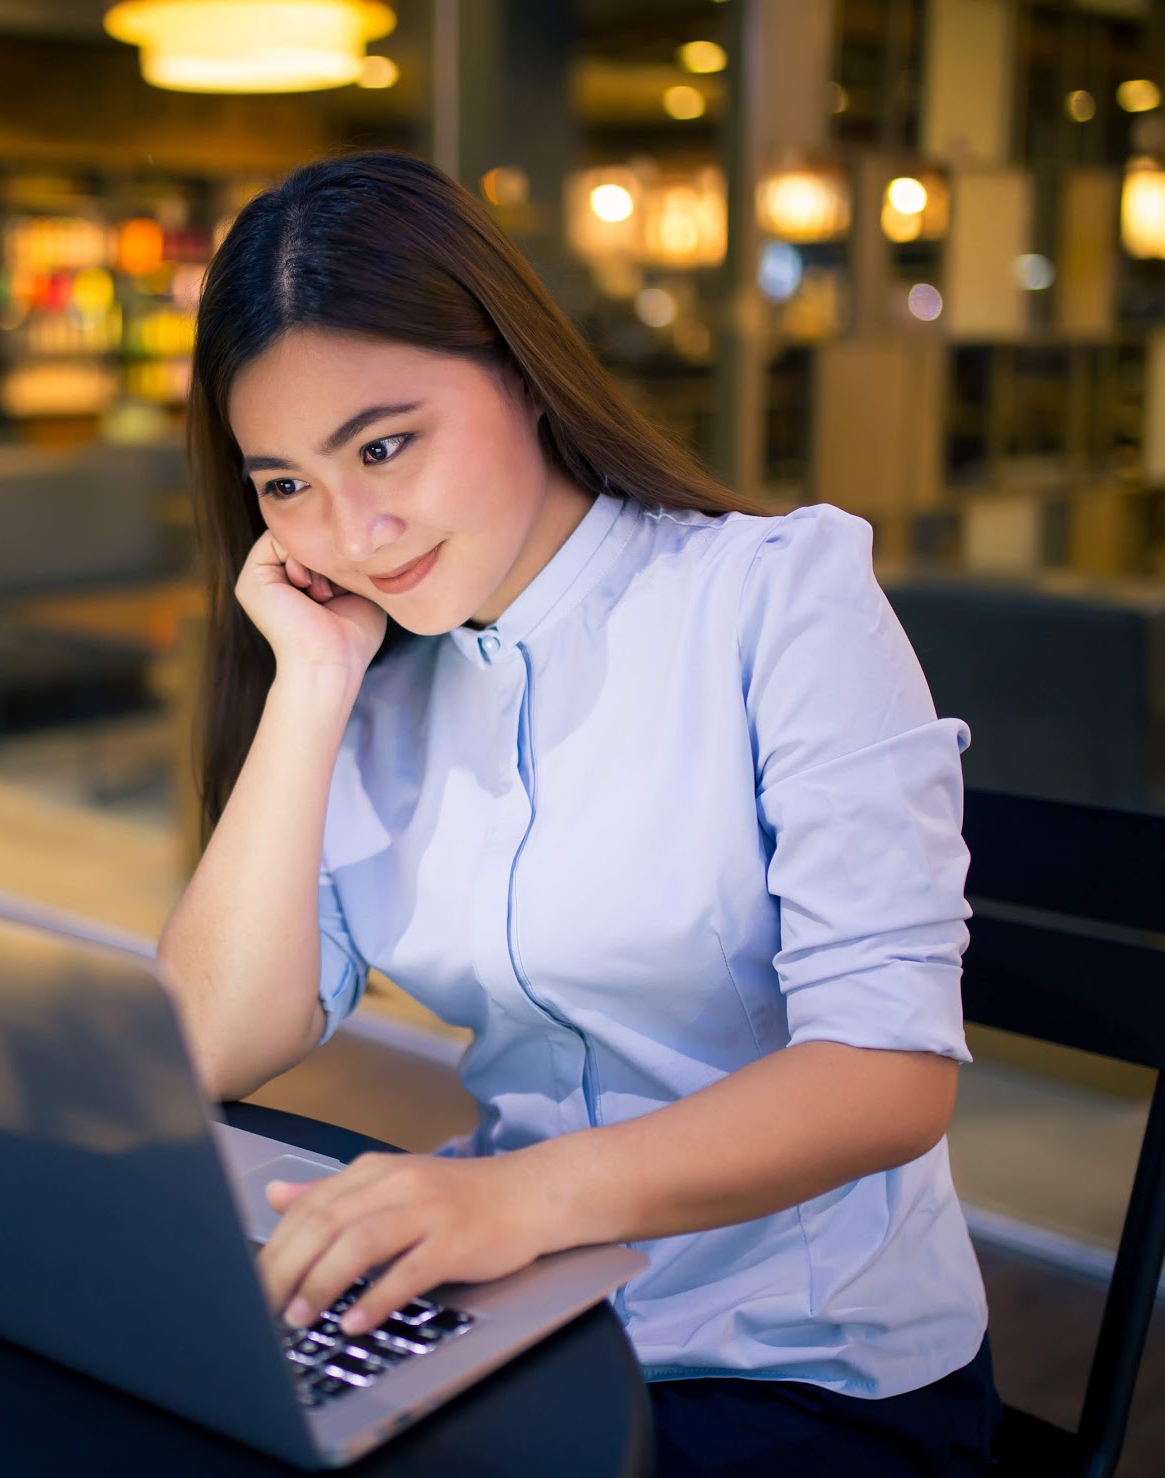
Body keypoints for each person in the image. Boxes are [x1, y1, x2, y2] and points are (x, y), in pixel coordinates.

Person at [155, 151, 999, 1476]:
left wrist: (513, 1197)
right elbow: (201, 1041)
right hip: (524, 1316)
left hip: (790, 1365)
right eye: (285, 484)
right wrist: (309, 689)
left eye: (384, 445)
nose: (354, 531)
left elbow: (885, 1073)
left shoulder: (777, 598)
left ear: (519, 370)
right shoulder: (374, 664)